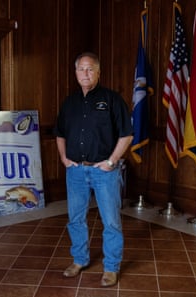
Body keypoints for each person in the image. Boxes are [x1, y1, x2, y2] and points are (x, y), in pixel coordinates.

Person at [54, 52, 133, 287]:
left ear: (98, 72)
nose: (86, 74)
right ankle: (79, 259)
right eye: (81, 69)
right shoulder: (70, 102)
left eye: (90, 69)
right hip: (76, 171)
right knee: (75, 219)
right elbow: (59, 133)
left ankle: (111, 267)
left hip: (104, 173)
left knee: (111, 221)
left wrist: (112, 161)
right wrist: (63, 158)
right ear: (76, 73)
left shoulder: (112, 99)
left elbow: (126, 134)